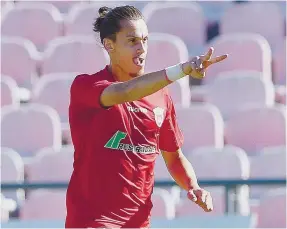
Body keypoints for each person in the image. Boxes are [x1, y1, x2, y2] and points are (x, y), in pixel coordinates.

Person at [65, 5, 228, 228]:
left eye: (145, 40)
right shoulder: (86, 86)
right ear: (109, 45)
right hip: (93, 223)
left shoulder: (161, 96)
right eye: (132, 41)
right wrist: (182, 69)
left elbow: (174, 157)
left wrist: (193, 186)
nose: (141, 48)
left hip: (138, 223)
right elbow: (125, 92)